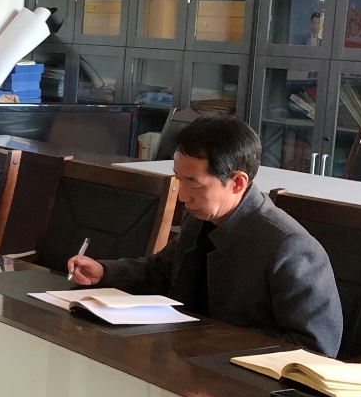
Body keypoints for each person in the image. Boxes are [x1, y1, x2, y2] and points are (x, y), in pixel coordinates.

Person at [67, 115, 342, 356]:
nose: (182, 196)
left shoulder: (289, 247)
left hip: (242, 382)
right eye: (179, 179)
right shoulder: (201, 218)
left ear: (237, 182)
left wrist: (214, 343)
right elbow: (162, 272)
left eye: (193, 183)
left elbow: (315, 347)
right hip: (190, 361)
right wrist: (104, 272)